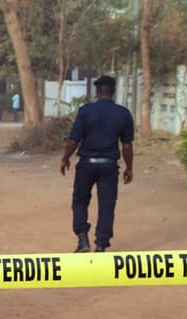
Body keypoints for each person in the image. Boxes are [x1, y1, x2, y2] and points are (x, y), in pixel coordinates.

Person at [60, 75, 133, 252]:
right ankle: (101, 245)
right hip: (109, 166)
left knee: (80, 201)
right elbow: (127, 144)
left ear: (97, 91)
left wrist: (65, 158)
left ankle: (83, 239)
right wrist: (129, 167)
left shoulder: (86, 111)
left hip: (86, 165)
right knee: (107, 205)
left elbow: (73, 140)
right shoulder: (123, 113)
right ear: (113, 91)